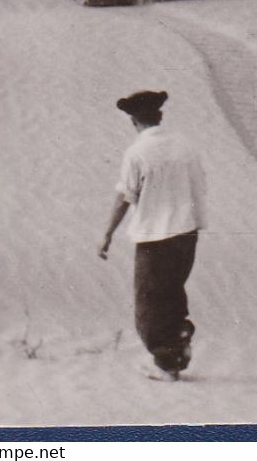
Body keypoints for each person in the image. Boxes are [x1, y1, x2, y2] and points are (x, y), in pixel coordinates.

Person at [98, 90, 207, 382]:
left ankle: (165, 364)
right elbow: (200, 184)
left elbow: (124, 196)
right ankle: (178, 347)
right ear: (159, 116)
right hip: (187, 234)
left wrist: (108, 233)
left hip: (155, 237)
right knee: (172, 295)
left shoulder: (137, 153)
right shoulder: (185, 145)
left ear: (134, 121)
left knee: (150, 305)